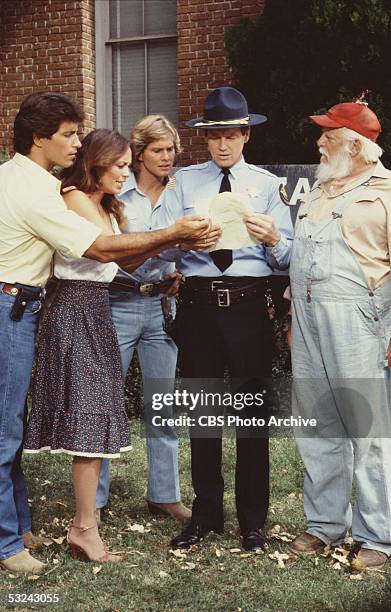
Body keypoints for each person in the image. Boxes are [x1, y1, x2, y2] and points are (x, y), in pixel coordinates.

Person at [0, 92, 211, 573]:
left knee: (13, 425)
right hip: (33, 305)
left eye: (79, 135)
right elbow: (96, 251)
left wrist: (153, 269)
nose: (76, 142)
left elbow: (110, 260)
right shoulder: (48, 192)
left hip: (40, 304)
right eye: (69, 134)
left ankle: (20, 528)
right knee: (19, 429)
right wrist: (174, 234)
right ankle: (26, 539)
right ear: (39, 137)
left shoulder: (35, 182)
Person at [162, 86, 293, 551]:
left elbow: (289, 258)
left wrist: (274, 236)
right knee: (202, 412)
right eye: (214, 135)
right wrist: (180, 245)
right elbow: (164, 245)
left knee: (252, 417)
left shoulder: (265, 185)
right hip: (198, 304)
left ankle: (253, 520)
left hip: (248, 304)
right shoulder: (184, 183)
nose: (222, 144)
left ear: (245, 136)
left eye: (231, 135)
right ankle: (206, 514)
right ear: (205, 137)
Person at [96, 115, 219, 522]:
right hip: (117, 303)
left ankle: (164, 494)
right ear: (139, 153)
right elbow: (114, 254)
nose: (167, 158)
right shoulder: (117, 195)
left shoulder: (180, 194)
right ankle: (94, 499)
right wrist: (167, 244)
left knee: (162, 405)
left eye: (171, 151)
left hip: (163, 306)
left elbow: (189, 245)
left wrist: (181, 262)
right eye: (158, 151)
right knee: (104, 404)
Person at [287, 100, 391, 570]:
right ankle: (325, 525)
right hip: (308, 319)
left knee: (368, 431)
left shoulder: (387, 191)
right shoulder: (320, 191)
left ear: (356, 145)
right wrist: (293, 320)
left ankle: (379, 537)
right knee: (316, 424)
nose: (319, 143)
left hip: (360, 321)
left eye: (328, 136)